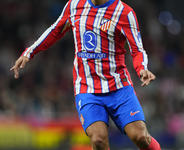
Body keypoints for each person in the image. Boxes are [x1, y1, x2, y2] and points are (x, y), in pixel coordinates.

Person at [10, 0, 161, 149]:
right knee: (98, 140)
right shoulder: (74, 5)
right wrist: (29, 52)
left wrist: (142, 68)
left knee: (140, 137)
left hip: (119, 87)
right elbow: (55, 30)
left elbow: (137, 49)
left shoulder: (124, 12)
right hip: (87, 87)